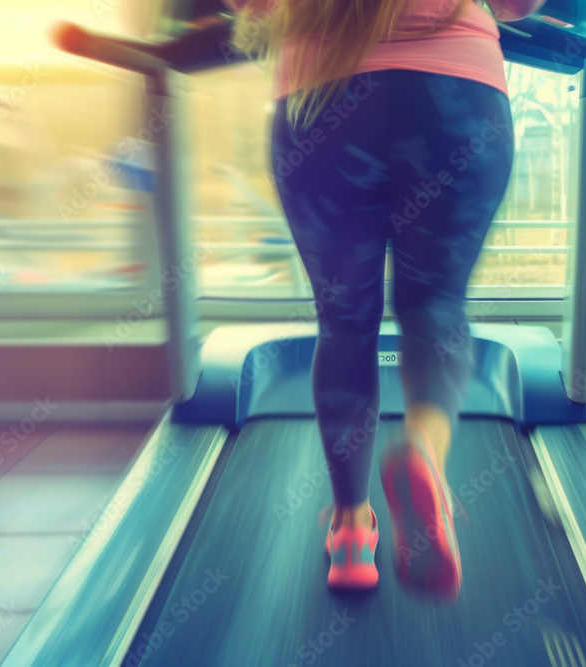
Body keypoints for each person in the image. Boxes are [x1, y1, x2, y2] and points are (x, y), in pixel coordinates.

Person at [223, 0, 547, 599]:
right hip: (457, 97)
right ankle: (423, 449)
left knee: (344, 322)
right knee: (436, 304)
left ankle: (350, 531)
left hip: (324, 101)